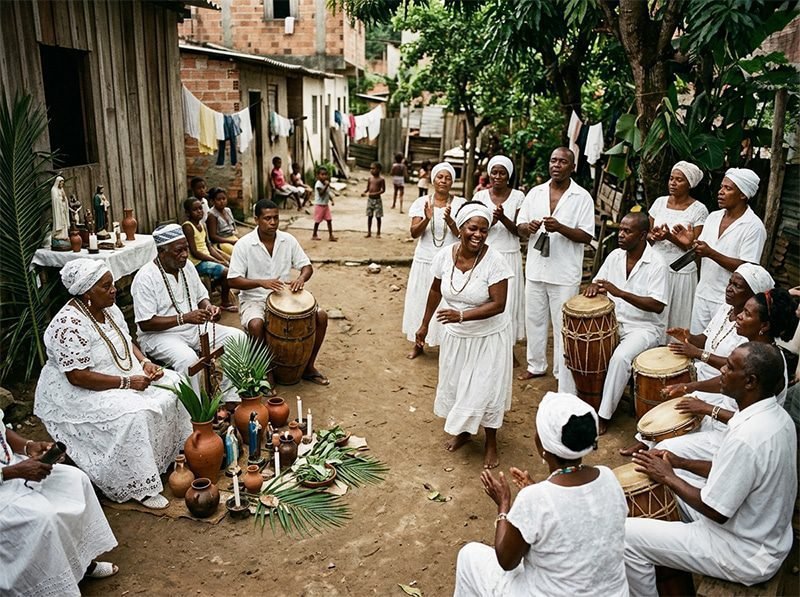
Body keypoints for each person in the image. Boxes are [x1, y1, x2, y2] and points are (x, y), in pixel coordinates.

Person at [623, 343, 797, 594]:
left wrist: (668, 476)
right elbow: (733, 471)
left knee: (625, 535)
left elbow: (716, 511)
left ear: (750, 382)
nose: (722, 370)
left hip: (741, 552)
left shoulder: (747, 437)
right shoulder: (777, 417)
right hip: (760, 534)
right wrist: (679, 463)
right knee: (669, 482)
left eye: (730, 367)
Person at [33, 259, 192, 507]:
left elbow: (126, 341)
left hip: (123, 372)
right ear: (87, 292)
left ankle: (178, 453)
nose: (113, 290)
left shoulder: (109, 308)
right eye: (106, 286)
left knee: (174, 382)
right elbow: (77, 377)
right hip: (80, 392)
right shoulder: (68, 325)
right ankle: (141, 485)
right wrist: (127, 382)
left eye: (113, 284)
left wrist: (145, 362)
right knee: (136, 414)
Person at [455, 392, 628, 596]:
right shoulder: (608, 477)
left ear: (543, 446)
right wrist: (537, 491)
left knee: (469, 556)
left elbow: (506, 561)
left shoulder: (534, 499)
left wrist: (503, 506)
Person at [620, 263, 774, 457]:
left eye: (737, 286)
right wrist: (689, 337)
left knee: (679, 414)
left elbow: (735, 367)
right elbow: (707, 338)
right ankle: (646, 440)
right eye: (730, 283)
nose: (729, 288)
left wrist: (698, 355)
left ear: (753, 294)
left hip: (721, 386)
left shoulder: (750, 330)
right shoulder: (725, 310)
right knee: (672, 401)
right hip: (704, 374)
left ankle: (658, 447)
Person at [637, 286, 798, 468]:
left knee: (664, 449)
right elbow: (728, 380)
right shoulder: (753, 350)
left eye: (747, 314)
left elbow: (750, 423)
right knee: (671, 422)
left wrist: (707, 409)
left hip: (733, 436)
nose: (739, 316)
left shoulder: (767, 364)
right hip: (721, 420)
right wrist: (689, 387)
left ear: (764, 326)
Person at [416, 202, 513, 469]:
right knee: (458, 386)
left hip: (488, 337)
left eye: (484, 230)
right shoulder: (444, 256)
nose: (478, 235)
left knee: (486, 388)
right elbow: (435, 290)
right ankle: (464, 432)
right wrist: (424, 325)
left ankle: (491, 442)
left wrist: (461, 315)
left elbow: (499, 305)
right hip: (456, 336)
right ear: (460, 228)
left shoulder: (496, 261)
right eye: (472, 228)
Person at [0, 409, 119, 595]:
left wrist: (29, 446)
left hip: (13, 464)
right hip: (6, 478)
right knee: (41, 517)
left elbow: (2, 430)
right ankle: (46, 587)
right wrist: (12, 472)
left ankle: (80, 563)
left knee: (76, 480)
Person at [132, 224, 247, 403]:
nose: (185, 254)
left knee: (238, 337)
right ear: (162, 252)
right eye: (179, 250)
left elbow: (201, 297)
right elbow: (146, 323)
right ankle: (196, 410)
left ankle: (230, 397)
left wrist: (209, 307)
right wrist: (184, 318)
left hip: (193, 328)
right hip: (159, 336)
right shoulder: (145, 277)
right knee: (188, 359)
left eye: (186, 248)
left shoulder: (187, 267)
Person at [582, 212, 669, 434]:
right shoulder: (615, 256)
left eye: (627, 231)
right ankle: (575, 400)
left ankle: (604, 415)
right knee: (581, 346)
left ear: (642, 235)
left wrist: (620, 293)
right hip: (614, 321)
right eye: (620, 229)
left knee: (620, 358)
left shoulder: (657, 263)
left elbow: (657, 305)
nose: (620, 235)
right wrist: (593, 287)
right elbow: (599, 282)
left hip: (645, 328)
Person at [228, 199, 329, 386]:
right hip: (254, 299)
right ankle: (266, 372)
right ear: (256, 219)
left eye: (276, 218)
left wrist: (301, 278)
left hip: (284, 297)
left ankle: (308, 367)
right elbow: (232, 280)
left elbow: (307, 266)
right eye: (267, 218)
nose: (273, 222)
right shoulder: (244, 244)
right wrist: (261, 282)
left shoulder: (287, 240)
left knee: (321, 316)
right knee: (256, 324)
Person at [516, 147, 594, 382]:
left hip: (564, 272)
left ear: (573, 167)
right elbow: (519, 226)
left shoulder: (582, 197)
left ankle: (563, 371)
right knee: (534, 320)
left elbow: (586, 236)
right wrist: (528, 227)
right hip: (536, 269)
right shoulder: (535, 193)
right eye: (553, 161)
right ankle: (536, 365)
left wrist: (560, 228)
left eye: (562, 162)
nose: (556, 165)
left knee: (563, 324)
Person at [688, 168, 767, 333]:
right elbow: (701, 250)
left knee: (720, 344)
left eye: (728, 188)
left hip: (729, 302)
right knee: (697, 342)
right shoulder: (713, 217)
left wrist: (711, 253)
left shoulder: (754, 226)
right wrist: (689, 242)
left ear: (743, 195)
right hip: (703, 293)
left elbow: (748, 270)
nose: (721, 192)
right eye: (721, 187)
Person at [402, 162, 466, 359]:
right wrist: (427, 218)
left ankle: (447, 345)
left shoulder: (461, 204)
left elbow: (464, 235)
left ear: (452, 182)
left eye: (448, 178)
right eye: (440, 177)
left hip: (450, 262)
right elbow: (414, 233)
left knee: (448, 303)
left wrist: (451, 221)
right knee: (421, 301)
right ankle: (418, 343)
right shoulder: (422, 202)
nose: (443, 181)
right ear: (433, 179)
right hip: (424, 261)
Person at [472, 155, 526, 347]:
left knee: (508, 302)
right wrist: (491, 221)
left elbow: (520, 231)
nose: (497, 176)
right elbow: (473, 226)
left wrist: (503, 218)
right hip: (485, 255)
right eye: (494, 172)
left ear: (508, 175)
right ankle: (484, 345)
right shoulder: (480, 196)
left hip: (509, 255)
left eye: (502, 173)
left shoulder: (518, 197)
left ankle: (507, 347)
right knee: (483, 299)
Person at [648, 161, 709, 329]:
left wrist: (670, 237)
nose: (673, 183)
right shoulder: (659, 203)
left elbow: (694, 248)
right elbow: (647, 234)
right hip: (656, 267)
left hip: (681, 271)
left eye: (679, 180)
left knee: (676, 316)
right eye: (671, 178)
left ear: (689, 184)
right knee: (655, 316)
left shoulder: (699, 210)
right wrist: (654, 235)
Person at [182, 197, 237, 312]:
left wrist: (222, 260)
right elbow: (195, 252)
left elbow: (210, 247)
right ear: (188, 213)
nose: (199, 211)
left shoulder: (203, 225)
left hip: (207, 259)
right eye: (195, 210)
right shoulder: (188, 227)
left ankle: (210, 288)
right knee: (227, 272)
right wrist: (216, 261)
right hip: (197, 262)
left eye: (200, 208)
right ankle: (225, 302)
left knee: (229, 267)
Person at [206, 187, 239, 256]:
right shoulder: (212, 215)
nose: (222, 201)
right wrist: (230, 241)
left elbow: (233, 227)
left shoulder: (228, 210)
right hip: (221, 242)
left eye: (224, 199)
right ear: (212, 201)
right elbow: (213, 237)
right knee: (237, 253)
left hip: (232, 237)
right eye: (218, 199)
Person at [311, 165, 337, 242]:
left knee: (329, 220)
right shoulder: (318, 184)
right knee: (317, 221)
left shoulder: (325, 183)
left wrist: (332, 200)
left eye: (325, 174)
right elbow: (321, 193)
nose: (324, 176)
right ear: (318, 176)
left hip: (325, 205)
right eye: (322, 174)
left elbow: (327, 193)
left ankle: (331, 235)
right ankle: (314, 234)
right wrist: (326, 186)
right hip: (319, 205)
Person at [362, 161, 386, 238]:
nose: (371, 170)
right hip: (370, 200)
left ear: (379, 170)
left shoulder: (381, 179)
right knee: (369, 216)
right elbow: (367, 188)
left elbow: (383, 190)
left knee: (378, 217)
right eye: (371, 168)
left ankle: (378, 232)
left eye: (373, 168)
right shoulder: (370, 179)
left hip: (377, 200)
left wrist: (375, 193)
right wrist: (364, 192)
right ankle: (369, 232)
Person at [50, 175, 70, 249]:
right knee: (59, 222)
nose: (62, 184)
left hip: (63, 209)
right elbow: (55, 200)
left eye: (63, 183)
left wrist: (64, 199)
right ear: (58, 182)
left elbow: (65, 199)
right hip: (58, 210)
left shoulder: (61, 189)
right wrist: (61, 199)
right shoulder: (54, 190)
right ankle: (58, 236)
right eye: (61, 183)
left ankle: (64, 236)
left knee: (64, 222)